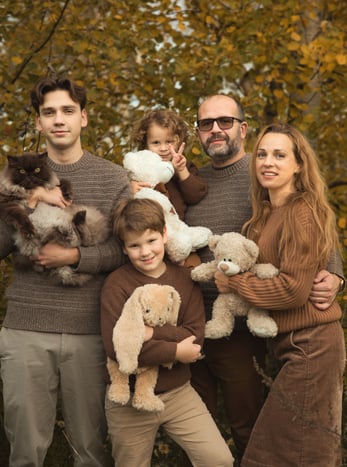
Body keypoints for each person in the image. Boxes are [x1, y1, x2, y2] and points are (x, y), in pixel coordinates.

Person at [184, 94, 345, 463]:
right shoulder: (194, 183)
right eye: (206, 124)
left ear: (242, 128)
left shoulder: (278, 189)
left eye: (224, 121)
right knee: (210, 439)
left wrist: (336, 274)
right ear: (197, 133)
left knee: (268, 441)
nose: (215, 130)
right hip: (205, 324)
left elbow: (312, 244)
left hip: (258, 332)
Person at [0, 75, 132, 467]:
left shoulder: (112, 178)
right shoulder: (13, 179)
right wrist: (26, 199)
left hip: (90, 332)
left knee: (90, 451)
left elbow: (129, 251)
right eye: (49, 112)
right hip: (25, 328)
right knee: (24, 450)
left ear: (84, 118)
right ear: (39, 122)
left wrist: (74, 259)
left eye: (68, 111)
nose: (59, 120)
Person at [100, 197, 234, 467]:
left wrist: (148, 334)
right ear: (124, 249)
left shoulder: (185, 279)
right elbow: (117, 347)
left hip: (178, 393)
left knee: (218, 460)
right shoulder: (116, 285)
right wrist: (175, 349)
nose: (145, 251)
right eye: (134, 245)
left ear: (164, 234)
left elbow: (194, 336)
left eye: (151, 241)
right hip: (129, 400)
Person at [130, 108, 207, 220]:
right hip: (148, 226)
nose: (163, 148)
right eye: (156, 143)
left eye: (169, 142)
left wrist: (181, 170)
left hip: (176, 228)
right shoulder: (139, 168)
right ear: (145, 144)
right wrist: (130, 189)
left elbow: (195, 195)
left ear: (179, 141)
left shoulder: (186, 166)